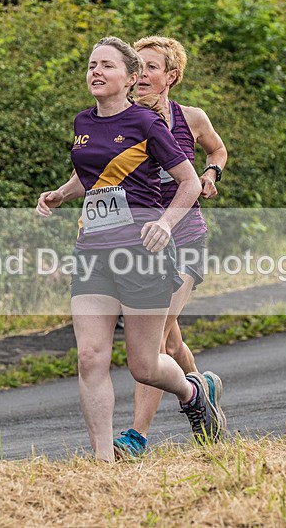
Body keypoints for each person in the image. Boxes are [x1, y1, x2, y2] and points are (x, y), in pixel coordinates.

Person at [36, 36, 225, 462]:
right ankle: (104, 461)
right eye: (91, 65)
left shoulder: (148, 123)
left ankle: (193, 389)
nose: (96, 72)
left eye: (106, 66)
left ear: (130, 77)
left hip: (143, 253)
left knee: (145, 364)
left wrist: (164, 222)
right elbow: (92, 177)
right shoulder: (83, 122)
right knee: (90, 357)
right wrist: (60, 195)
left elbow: (189, 182)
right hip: (93, 251)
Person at [113, 36, 228, 458]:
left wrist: (211, 172)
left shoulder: (191, 118)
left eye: (150, 68)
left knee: (155, 342)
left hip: (185, 239)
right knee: (174, 345)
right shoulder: (120, 122)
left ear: (171, 77)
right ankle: (203, 390)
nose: (140, 75)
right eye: (135, 67)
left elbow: (216, 148)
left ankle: (136, 437)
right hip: (143, 246)